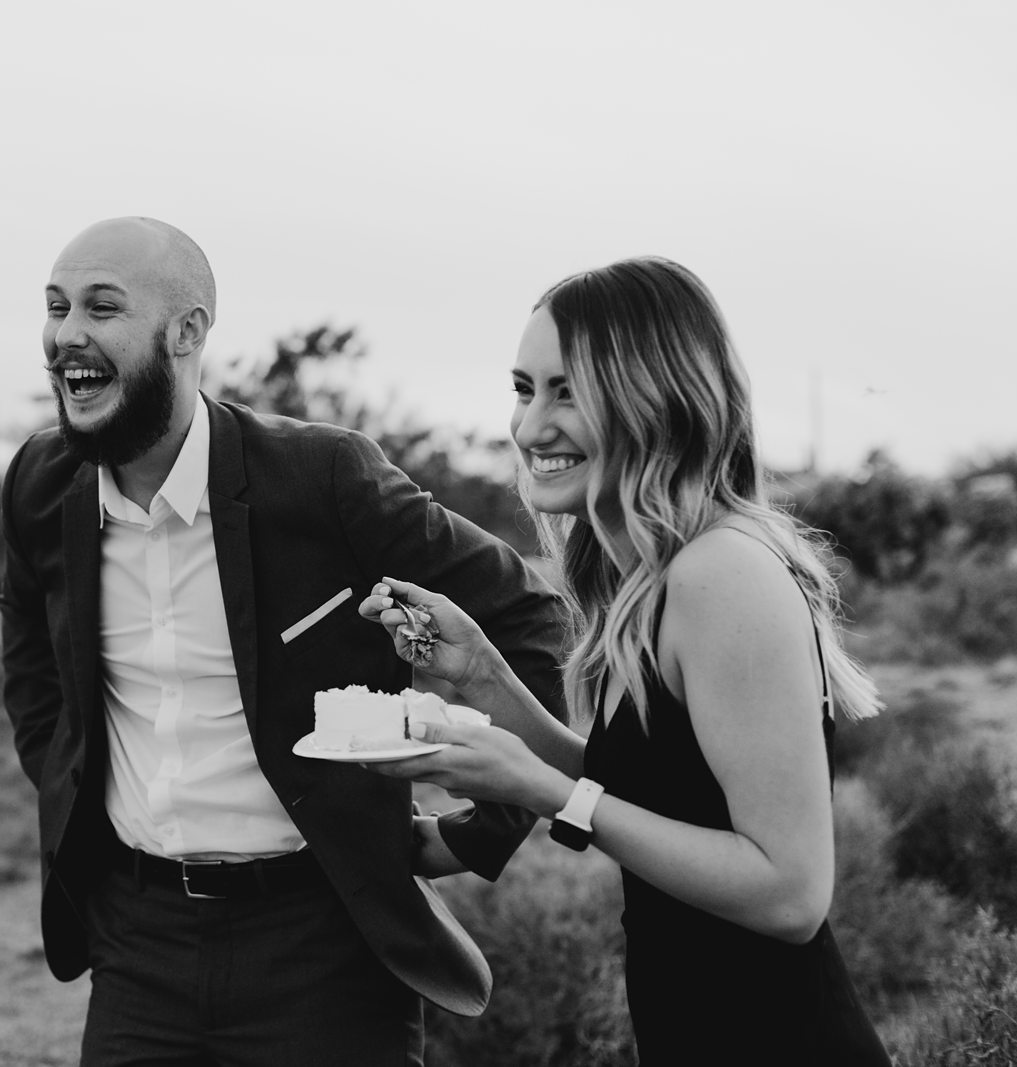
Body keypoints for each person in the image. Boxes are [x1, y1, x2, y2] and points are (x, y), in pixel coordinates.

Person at [0, 216, 569, 1066]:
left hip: (322, 942)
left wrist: (481, 828)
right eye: (56, 307)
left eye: (101, 307)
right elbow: (33, 677)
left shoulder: (322, 477)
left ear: (187, 331)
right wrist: (71, 794)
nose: (66, 334)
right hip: (136, 942)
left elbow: (524, 617)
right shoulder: (39, 484)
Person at [361, 257, 892, 1065]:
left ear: (654, 395)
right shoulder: (653, 574)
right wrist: (483, 678)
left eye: (567, 390)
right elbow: (659, 797)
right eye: (523, 388)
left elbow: (791, 891)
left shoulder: (721, 573)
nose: (531, 425)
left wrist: (547, 793)